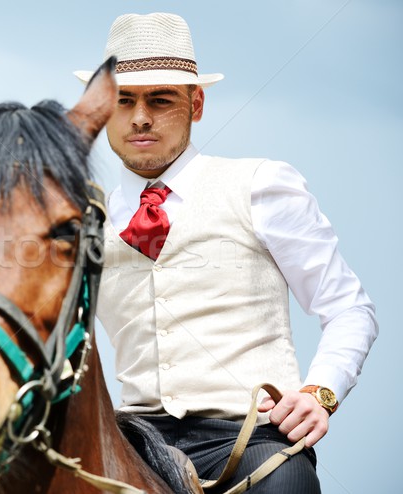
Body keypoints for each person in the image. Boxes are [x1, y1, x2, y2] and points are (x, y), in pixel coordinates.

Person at [74, 12, 378, 493]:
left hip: (250, 434)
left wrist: (320, 393)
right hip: (132, 436)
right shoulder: (86, 217)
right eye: (124, 100)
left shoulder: (262, 185)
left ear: (196, 104)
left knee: (288, 485)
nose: (140, 118)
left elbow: (348, 308)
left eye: (161, 99)